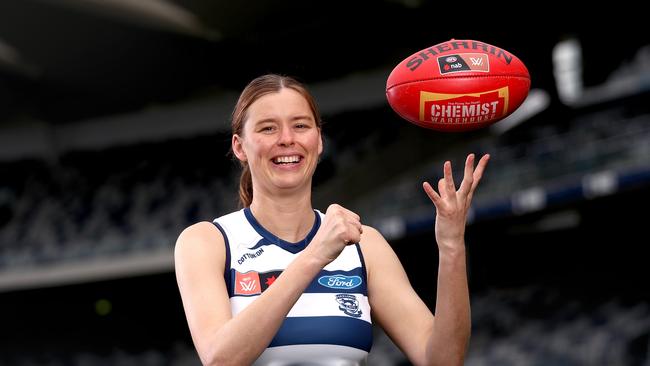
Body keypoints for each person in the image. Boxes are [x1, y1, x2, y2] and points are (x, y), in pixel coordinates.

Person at [174, 74, 490, 366]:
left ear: (319, 140)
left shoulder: (364, 245)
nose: (287, 139)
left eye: (300, 125)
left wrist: (450, 246)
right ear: (239, 146)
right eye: (268, 128)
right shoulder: (208, 241)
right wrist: (315, 255)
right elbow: (220, 359)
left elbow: (443, 360)